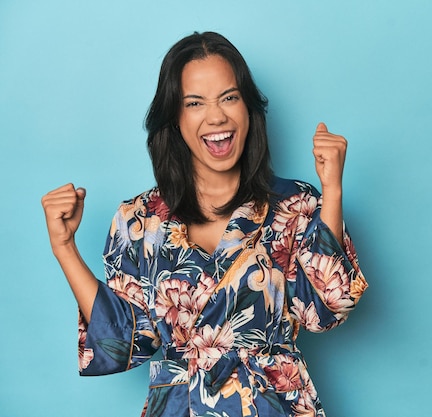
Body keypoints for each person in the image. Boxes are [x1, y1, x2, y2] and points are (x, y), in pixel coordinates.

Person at [41, 31, 367, 417]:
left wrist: (332, 191)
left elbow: (328, 306)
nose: (216, 116)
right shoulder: (139, 220)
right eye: (195, 103)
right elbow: (124, 341)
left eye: (229, 98)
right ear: (175, 119)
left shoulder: (293, 204)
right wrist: (64, 247)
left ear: (249, 109)